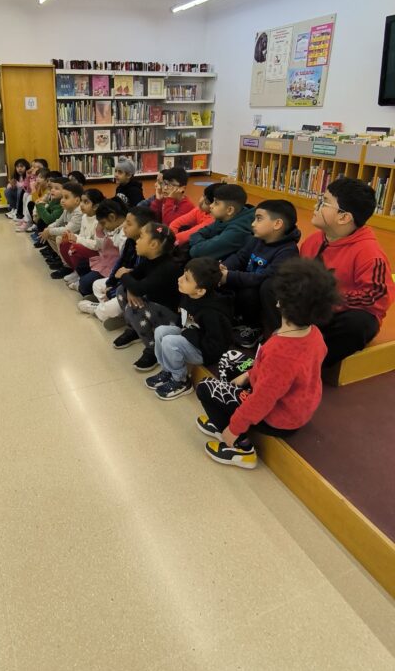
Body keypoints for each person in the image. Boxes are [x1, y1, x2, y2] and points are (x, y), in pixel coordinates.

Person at [196, 258, 340, 469]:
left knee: (206, 388)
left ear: (280, 302)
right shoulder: (313, 333)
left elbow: (263, 399)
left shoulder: (281, 354)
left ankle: (242, 448)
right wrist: (248, 374)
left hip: (279, 417)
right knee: (229, 359)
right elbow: (276, 374)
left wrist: (234, 428)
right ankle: (228, 412)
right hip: (292, 401)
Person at [297, 177, 395, 367]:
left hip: (339, 312)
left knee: (358, 324)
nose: (316, 206)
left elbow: (376, 297)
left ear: (344, 217)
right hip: (312, 308)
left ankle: (306, 365)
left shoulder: (370, 254)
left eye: (324, 202)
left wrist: (326, 301)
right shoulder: (312, 241)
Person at [146, 257, 233, 400]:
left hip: (206, 352)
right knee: (161, 331)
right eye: (183, 274)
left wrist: (187, 336)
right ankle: (167, 370)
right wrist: (185, 332)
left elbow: (215, 346)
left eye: (186, 279)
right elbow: (183, 319)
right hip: (190, 335)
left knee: (170, 342)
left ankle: (181, 381)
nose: (180, 279)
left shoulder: (212, 312)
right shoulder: (188, 295)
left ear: (200, 291)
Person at [219, 199, 300, 347]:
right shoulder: (256, 239)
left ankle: (255, 327)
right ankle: (235, 317)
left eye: (259, 219)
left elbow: (264, 277)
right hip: (246, 287)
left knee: (252, 289)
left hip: (262, 297)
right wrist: (223, 268)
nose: (253, 224)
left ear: (277, 224)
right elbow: (240, 257)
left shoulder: (288, 251)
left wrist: (229, 276)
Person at [113, 222, 182, 371]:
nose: (137, 241)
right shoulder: (150, 260)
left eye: (141, 237)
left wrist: (125, 276)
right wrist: (129, 287)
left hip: (171, 317)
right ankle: (134, 329)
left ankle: (153, 349)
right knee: (121, 290)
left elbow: (137, 286)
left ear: (153, 244)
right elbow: (134, 277)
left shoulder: (168, 267)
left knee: (134, 309)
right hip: (154, 308)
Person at [78, 205, 155, 321]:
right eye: (125, 222)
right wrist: (111, 283)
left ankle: (100, 309)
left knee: (114, 302)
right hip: (126, 283)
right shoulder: (130, 241)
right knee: (97, 285)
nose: (124, 226)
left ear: (143, 228)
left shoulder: (147, 250)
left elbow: (138, 278)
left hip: (136, 291)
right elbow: (121, 263)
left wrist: (115, 290)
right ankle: (111, 310)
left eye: (129, 224)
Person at [188, 183, 255, 260]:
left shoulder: (237, 232)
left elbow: (196, 252)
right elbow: (195, 234)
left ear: (230, 210)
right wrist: (202, 244)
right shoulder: (223, 218)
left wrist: (200, 245)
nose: (211, 206)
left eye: (216, 203)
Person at [76, 198, 128, 297]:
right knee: (81, 266)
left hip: (113, 268)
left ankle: (95, 293)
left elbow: (122, 261)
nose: (103, 226)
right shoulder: (114, 228)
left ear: (112, 217)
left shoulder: (123, 234)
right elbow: (100, 246)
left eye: (103, 223)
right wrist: (99, 231)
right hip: (104, 261)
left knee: (84, 284)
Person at [61, 188, 104, 287]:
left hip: (97, 253)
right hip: (86, 247)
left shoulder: (99, 221)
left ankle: (81, 274)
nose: (81, 204)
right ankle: (76, 271)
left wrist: (77, 239)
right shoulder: (84, 217)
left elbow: (97, 245)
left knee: (75, 248)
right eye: (81, 201)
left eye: (86, 202)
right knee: (65, 243)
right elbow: (82, 235)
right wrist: (72, 236)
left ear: (96, 206)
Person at [42, 181, 84, 278]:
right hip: (70, 238)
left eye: (66, 197)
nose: (62, 200)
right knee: (50, 233)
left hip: (79, 239)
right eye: (62, 197)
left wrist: (49, 231)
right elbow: (58, 222)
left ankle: (68, 266)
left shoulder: (79, 212)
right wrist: (47, 229)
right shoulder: (67, 209)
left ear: (77, 200)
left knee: (59, 238)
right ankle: (63, 259)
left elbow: (68, 229)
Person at [169, 181, 219, 249]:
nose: (201, 201)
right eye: (203, 195)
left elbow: (185, 237)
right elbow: (175, 224)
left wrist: (169, 199)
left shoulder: (212, 220)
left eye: (206, 202)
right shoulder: (199, 210)